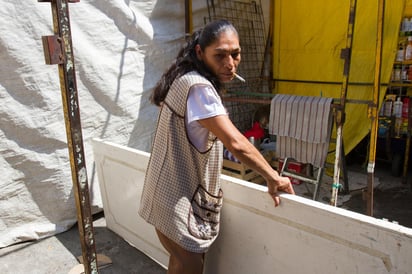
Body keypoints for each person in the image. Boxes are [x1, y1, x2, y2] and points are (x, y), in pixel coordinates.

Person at [139, 19, 295, 274]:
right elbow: (237, 144)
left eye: (235, 54)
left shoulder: (183, 78)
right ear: (200, 53)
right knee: (189, 267)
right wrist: (273, 177)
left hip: (162, 195)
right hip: (178, 203)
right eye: (220, 55)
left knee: (178, 265)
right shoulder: (200, 90)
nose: (230, 64)